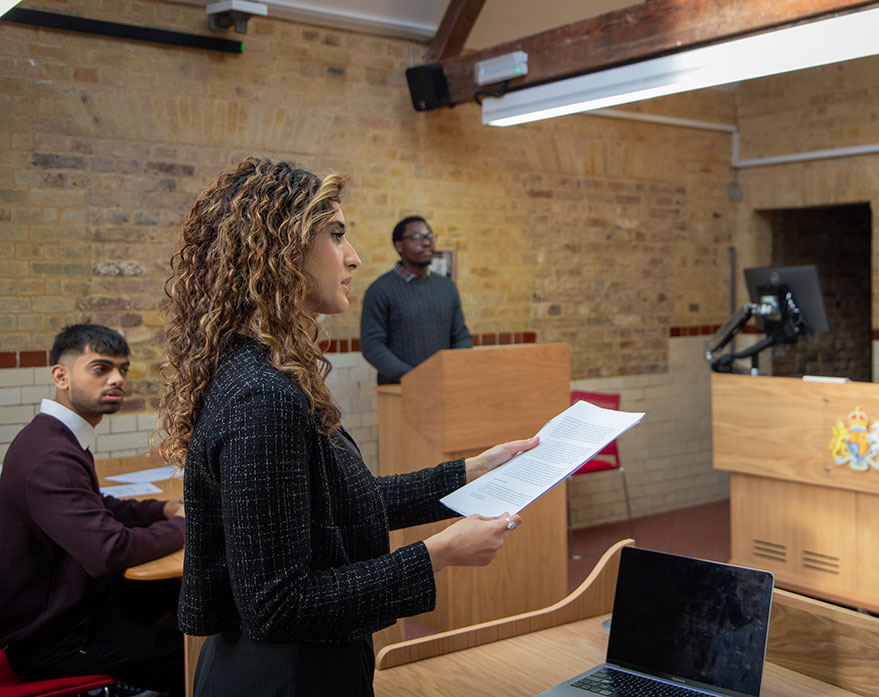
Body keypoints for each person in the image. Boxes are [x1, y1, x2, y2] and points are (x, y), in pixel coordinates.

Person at [160, 157, 535, 697]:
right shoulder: (264, 395)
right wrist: (440, 554)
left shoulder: (265, 372)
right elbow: (279, 605)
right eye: (336, 235)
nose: (354, 257)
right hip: (284, 678)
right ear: (280, 251)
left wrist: (473, 471)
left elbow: (339, 505)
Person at [0, 324, 186, 695]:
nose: (117, 379)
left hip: (77, 606)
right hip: (52, 639)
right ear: (61, 376)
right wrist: (183, 527)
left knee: (181, 591)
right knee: (194, 658)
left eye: (123, 369)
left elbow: (101, 507)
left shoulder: (57, 436)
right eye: (101, 369)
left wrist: (163, 508)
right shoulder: (51, 456)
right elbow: (108, 550)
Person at [360, 215, 472, 384]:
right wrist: (417, 376)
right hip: (400, 389)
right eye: (417, 237)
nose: (427, 242)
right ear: (399, 246)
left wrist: (453, 368)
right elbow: (373, 347)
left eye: (429, 236)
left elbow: (460, 336)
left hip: (445, 385)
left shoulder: (447, 287)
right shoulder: (380, 290)